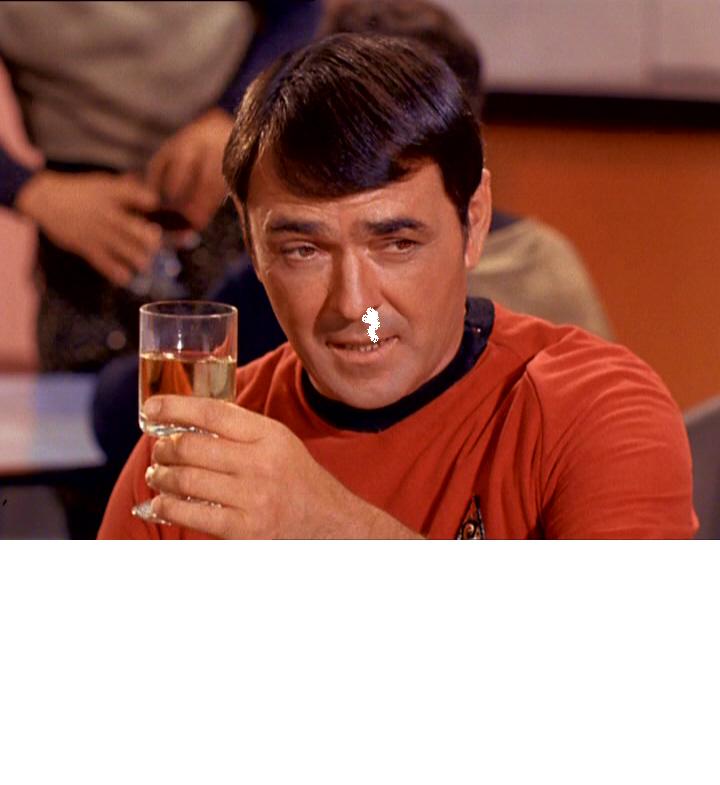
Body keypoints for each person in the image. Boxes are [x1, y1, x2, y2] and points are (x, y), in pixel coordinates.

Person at [99, 34, 697, 539]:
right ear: (252, 246)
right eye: (304, 250)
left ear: (473, 222)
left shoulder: (593, 410)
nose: (356, 304)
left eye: (397, 244)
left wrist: (326, 528)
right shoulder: (192, 451)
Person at [0, 1, 321, 372]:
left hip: (234, 182)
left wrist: (236, 115)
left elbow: (300, 9)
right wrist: (31, 190)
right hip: (85, 224)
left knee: (273, 374)